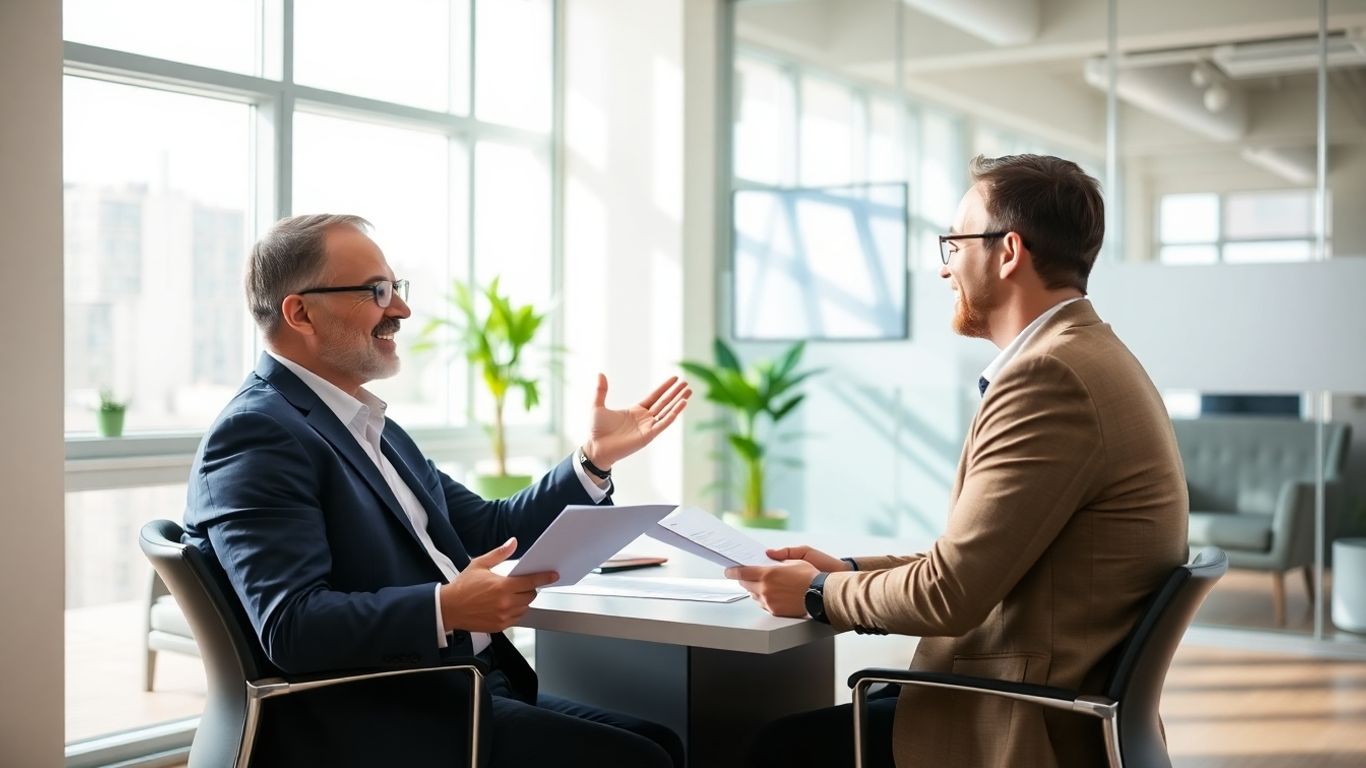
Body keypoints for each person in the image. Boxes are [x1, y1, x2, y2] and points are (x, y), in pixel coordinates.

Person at [728, 155, 1189, 768]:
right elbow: (987, 559)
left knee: (770, 749)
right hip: (1054, 697)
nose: (943, 267)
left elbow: (950, 595)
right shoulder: (1087, 354)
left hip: (1019, 722)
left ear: (1008, 252)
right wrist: (846, 568)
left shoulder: (1048, 377)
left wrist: (818, 595)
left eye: (953, 243)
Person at [183, 214, 690, 768]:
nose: (399, 310)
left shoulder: (366, 425)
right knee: (641, 760)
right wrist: (444, 606)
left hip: (461, 686)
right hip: (382, 716)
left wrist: (593, 461)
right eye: (377, 292)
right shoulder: (259, 434)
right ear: (299, 312)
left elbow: (491, 530)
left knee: (663, 743)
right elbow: (292, 625)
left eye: (396, 289)